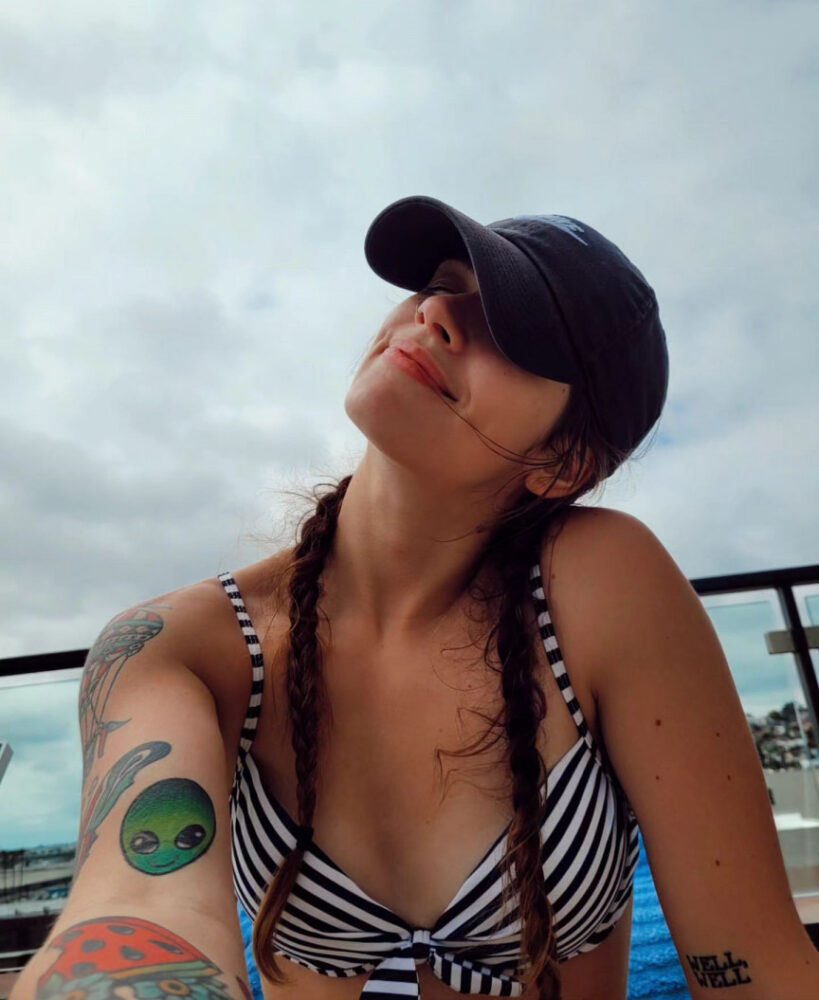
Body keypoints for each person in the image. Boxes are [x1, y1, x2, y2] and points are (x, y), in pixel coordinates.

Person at [16, 197, 816, 1000]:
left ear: (563, 463)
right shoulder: (180, 646)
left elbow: (751, 970)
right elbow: (135, 909)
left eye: (510, 330)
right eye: (440, 284)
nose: (434, 313)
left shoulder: (598, 586)